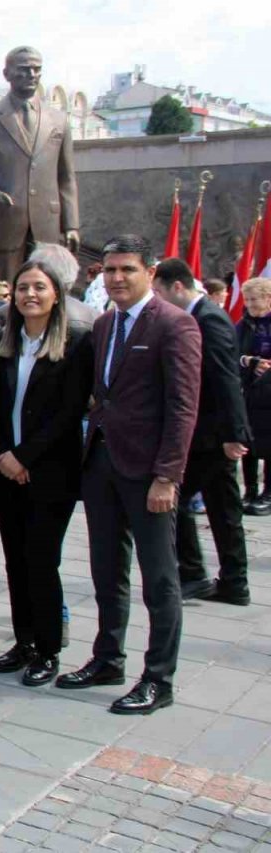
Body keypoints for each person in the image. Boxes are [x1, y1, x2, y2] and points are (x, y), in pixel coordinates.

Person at [57, 235, 201, 715]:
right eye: (110, 270)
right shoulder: (103, 325)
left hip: (149, 473)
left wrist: (168, 476)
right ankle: (107, 658)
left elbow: (183, 408)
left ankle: (159, 678)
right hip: (102, 465)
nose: (116, 278)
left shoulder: (175, 326)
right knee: (106, 571)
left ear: (150, 272)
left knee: (159, 579)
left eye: (127, 270)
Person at [0, 260, 93, 686]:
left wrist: (26, 457)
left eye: (39, 287)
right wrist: (3, 456)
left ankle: (48, 649)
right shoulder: (4, 343)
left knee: (41, 560)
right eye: (23, 287)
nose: (30, 294)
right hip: (5, 471)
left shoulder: (75, 344)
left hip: (49, 473)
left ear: (56, 294)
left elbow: (68, 414)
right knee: (15, 560)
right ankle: (24, 640)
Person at [151, 259, 252, 606]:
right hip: (211, 432)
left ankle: (193, 572)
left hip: (210, 435)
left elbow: (226, 379)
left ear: (177, 287)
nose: (158, 301)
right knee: (224, 509)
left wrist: (235, 433)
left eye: (159, 293)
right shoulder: (201, 316)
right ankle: (234, 581)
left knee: (171, 500)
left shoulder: (208, 320)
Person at [0, 46, 80, 284]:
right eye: (23, 69)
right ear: (7, 74)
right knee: (2, 298)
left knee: (46, 294)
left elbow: (66, 177)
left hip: (47, 228)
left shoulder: (59, 121)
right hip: (1, 225)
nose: (31, 74)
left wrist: (71, 224)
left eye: (36, 69)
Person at [238, 278, 271, 515]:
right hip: (249, 391)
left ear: (268, 298)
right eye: (247, 299)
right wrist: (249, 362)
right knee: (246, 442)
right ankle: (249, 490)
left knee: (269, 444)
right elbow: (232, 353)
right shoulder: (243, 324)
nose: (250, 304)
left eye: (254, 299)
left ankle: (268, 494)